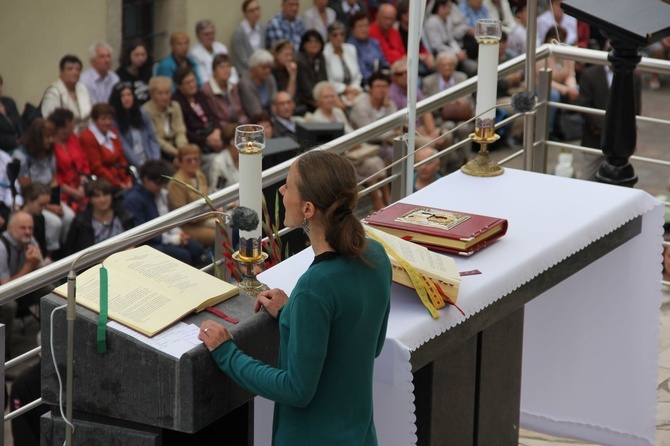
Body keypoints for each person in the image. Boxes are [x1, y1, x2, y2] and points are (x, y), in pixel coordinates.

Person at [198, 150, 392, 446]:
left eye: (288, 185)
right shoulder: (376, 255)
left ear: (308, 209)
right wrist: (292, 314)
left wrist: (227, 353)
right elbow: (371, 345)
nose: (281, 190)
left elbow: (295, 390)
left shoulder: (314, 288)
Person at [309, 81, 389, 210]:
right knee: (372, 164)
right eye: (326, 97)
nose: (330, 99)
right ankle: (377, 202)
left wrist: (355, 142)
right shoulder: (316, 119)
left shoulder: (338, 112)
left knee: (377, 160)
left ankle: (387, 197)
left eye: (332, 96)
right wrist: (348, 146)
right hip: (339, 159)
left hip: (354, 152)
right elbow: (325, 147)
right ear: (318, 100)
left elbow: (350, 131)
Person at [124, 159, 205, 266]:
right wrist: (173, 239)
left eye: (163, 183)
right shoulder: (134, 199)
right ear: (146, 179)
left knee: (197, 249)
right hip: (149, 242)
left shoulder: (161, 192)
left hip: (165, 234)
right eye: (158, 183)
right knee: (184, 255)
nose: (161, 186)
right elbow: (141, 233)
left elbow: (167, 216)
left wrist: (179, 233)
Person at [12, 118, 75, 250]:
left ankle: (64, 250)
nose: (51, 140)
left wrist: (55, 202)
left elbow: (53, 179)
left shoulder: (49, 152)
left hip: (49, 197)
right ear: (36, 138)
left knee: (69, 216)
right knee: (55, 223)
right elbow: (26, 189)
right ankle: (50, 256)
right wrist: (49, 207)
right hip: (32, 200)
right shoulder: (21, 156)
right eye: (47, 137)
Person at [0, 211, 52, 357]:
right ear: (10, 229)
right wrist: (29, 265)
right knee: (9, 307)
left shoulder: (30, 241)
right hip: (4, 294)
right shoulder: (2, 247)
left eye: (30, 228)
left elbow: (44, 273)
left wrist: (38, 264)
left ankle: (51, 339)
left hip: (20, 289)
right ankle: (4, 358)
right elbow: (5, 288)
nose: (28, 232)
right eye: (23, 228)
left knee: (49, 291)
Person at [171, 67, 224, 174]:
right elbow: (186, 131)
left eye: (193, 80)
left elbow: (214, 116)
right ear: (179, 86)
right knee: (216, 161)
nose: (192, 85)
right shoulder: (176, 103)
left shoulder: (201, 95)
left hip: (214, 136)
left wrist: (217, 131)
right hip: (199, 144)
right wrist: (206, 140)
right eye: (188, 82)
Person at [64, 178, 134, 256]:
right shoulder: (80, 222)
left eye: (105, 194)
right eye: (97, 196)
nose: (102, 199)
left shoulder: (124, 215)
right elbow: (70, 250)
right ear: (90, 199)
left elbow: (134, 241)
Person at [166, 144, 216, 248]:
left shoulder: (199, 174)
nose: (193, 163)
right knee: (220, 234)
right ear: (180, 162)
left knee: (231, 226)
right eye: (189, 160)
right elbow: (186, 217)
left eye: (196, 159)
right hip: (187, 226)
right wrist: (213, 211)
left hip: (204, 218)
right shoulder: (176, 183)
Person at [79, 103, 133, 191]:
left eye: (109, 119)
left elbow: (121, 159)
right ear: (94, 120)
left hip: (119, 179)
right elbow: (97, 168)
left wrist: (127, 179)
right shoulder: (87, 137)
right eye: (103, 119)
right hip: (101, 182)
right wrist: (118, 184)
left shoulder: (113, 131)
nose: (107, 122)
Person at [349, 71, 398, 164]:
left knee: (404, 148)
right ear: (370, 89)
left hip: (386, 143)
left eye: (385, 86)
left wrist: (387, 109)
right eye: (378, 86)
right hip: (366, 144)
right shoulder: (361, 107)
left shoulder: (390, 105)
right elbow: (370, 134)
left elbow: (395, 124)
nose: (382, 90)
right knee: (394, 152)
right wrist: (392, 133)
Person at [48, 108, 91, 212]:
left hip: (82, 185)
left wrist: (82, 184)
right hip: (64, 191)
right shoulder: (50, 146)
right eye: (71, 124)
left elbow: (84, 161)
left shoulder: (72, 138)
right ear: (61, 128)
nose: (73, 126)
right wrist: (72, 192)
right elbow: (54, 176)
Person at [109, 82, 161, 168]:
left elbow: (152, 138)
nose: (127, 98)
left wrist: (155, 162)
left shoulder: (141, 113)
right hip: (133, 165)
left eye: (129, 95)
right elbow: (124, 146)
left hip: (150, 161)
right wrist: (141, 166)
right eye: (123, 96)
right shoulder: (114, 121)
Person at [388, 60, 440, 142]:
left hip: (418, 127)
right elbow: (400, 122)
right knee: (430, 142)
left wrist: (432, 132)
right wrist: (424, 135)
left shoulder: (414, 88)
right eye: (400, 74)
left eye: (407, 72)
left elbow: (425, 110)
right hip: (402, 132)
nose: (404, 76)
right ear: (393, 77)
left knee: (445, 135)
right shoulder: (391, 94)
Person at [423, 0, 477, 77]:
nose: (448, 10)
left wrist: (458, 51)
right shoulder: (432, 22)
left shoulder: (448, 20)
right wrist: (454, 53)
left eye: (449, 7)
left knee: (473, 67)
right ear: (438, 7)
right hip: (438, 54)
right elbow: (436, 46)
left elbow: (451, 40)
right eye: (444, 7)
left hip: (452, 51)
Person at [41, 55, 92, 134]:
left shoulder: (83, 89)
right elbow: (50, 121)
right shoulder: (53, 92)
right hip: (63, 137)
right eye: (70, 69)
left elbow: (89, 116)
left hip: (85, 136)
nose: (74, 72)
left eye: (78, 70)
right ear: (61, 72)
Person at [143, 76, 189, 161]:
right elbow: (156, 138)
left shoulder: (175, 106)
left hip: (177, 148)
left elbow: (180, 130)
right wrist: (174, 151)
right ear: (152, 95)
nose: (164, 97)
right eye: (160, 93)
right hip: (159, 151)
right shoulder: (146, 111)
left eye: (167, 93)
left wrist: (182, 148)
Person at [201, 54, 249, 131]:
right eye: (222, 67)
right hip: (221, 129)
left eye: (228, 66)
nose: (226, 70)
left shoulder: (233, 87)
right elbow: (213, 118)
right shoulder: (207, 90)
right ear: (214, 71)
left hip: (239, 125)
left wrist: (242, 123)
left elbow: (241, 112)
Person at [323, 21, 363, 107]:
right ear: (329, 37)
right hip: (336, 94)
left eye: (342, 34)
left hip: (354, 91)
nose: (339, 38)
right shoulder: (325, 53)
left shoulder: (351, 49)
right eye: (335, 35)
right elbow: (329, 80)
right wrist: (346, 90)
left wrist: (354, 89)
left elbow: (358, 75)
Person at [188, 19, 240, 85]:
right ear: (198, 36)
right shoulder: (194, 54)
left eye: (212, 33)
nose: (210, 37)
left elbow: (231, 69)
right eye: (206, 34)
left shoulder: (221, 48)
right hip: (209, 88)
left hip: (228, 85)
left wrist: (232, 83)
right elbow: (202, 78)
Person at [346, 11, 389, 87]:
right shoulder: (350, 47)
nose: (364, 29)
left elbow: (384, 62)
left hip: (381, 79)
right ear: (352, 30)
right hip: (365, 83)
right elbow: (362, 72)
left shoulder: (374, 42)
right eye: (360, 26)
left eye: (366, 26)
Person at [238, 49, 279, 117]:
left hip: (271, 118)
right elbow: (255, 111)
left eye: (269, 67)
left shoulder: (269, 78)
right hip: (255, 121)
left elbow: (274, 102)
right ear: (253, 67)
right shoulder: (245, 84)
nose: (267, 71)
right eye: (264, 68)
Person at [231, 0, 266, 76]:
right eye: (251, 11)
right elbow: (242, 59)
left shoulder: (262, 28)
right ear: (245, 14)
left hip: (261, 69)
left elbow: (263, 51)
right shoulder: (239, 32)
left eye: (257, 9)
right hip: (246, 72)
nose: (256, 13)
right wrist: (257, 68)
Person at [296, 30, 328, 113]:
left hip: (319, 99)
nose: (314, 44)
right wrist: (322, 101)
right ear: (304, 44)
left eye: (317, 41)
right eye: (310, 41)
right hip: (304, 101)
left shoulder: (321, 58)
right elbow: (306, 89)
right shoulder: (300, 60)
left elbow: (324, 81)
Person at [116, 39, 153, 105]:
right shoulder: (120, 74)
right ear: (129, 55)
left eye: (143, 55)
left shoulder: (147, 72)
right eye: (136, 55)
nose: (140, 58)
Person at [270, 39, 299, 104]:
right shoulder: (272, 72)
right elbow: (287, 97)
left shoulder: (295, 67)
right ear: (277, 55)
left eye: (291, 55)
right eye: (286, 55)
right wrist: (292, 76)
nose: (289, 58)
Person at [0, 73, 23, 152]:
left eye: (0, 85)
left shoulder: (9, 102)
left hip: (22, 144)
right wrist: (16, 141)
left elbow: (20, 123)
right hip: (5, 151)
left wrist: (25, 139)